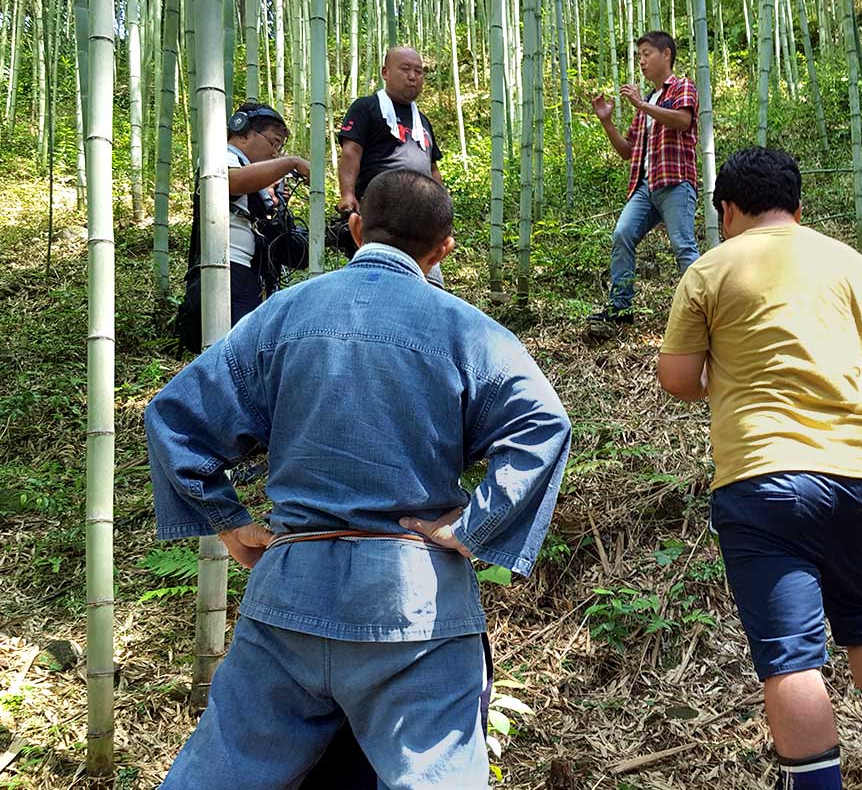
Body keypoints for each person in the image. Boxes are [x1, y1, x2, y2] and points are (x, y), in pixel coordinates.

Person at [147, 170, 572, 789]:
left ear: (354, 228)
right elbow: (543, 424)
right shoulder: (466, 329)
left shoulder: (283, 314)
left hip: (288, 596)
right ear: (443, 248)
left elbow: (174, 415)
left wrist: (229, 522)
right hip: (413, 601)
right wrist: (474, 528)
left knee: (223, 774)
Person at [657, 148, 862, 790]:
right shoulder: (854, 266)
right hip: (853, 472)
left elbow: (679, 379)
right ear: (799, 206)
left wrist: (730, 371)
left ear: (728, 210)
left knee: (790, 656)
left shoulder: (710, 270)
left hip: (761, 476)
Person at [176, 102, 311, 355]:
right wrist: (290, 162)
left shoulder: (262, 179)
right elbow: (231, 182)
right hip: (225, 270)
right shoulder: (221, 156)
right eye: (273, 143)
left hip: (250, 277)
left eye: (281, 148)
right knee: (233, 356)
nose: (276, 153)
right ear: (242, 131)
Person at [588, 30, 700, 325]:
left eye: (647, 54)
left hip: (676, 182)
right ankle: (621, 309)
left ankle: (705, 309)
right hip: (646, 186)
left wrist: (642, 105)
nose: (641, 61)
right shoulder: (648, 101)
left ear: (666, 54)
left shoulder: (681, 87)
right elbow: (628, 151)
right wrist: (607, 122)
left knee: (683, 245)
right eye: (639, 56)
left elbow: (683, 120)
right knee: (622, 234)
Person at [336, 46, 445, 285]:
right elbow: (351, 152)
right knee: (378, 279)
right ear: (385, 72)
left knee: (429, 285)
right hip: (381, 208)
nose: (413, 76)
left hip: (423, 212)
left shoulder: (422, 121)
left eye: (419, 71)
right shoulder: (366, 107)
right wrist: (347, 193)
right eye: (405, 69)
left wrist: (443, 208)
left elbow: (433, 168)